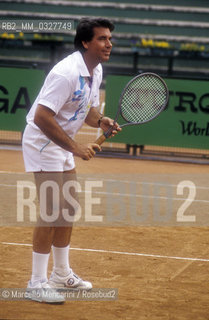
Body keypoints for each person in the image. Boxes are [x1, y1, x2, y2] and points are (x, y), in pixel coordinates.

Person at [22, 17, 121, 304]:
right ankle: (36, 282)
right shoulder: (65, 73)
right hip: (42, 141)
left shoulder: (96, 70)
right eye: (102, 39)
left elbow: (86, 109)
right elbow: (42, 116)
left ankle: (60, 273)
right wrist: (77, 147)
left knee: (69, 206)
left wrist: (101, 120)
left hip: (62, 143)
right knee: (52, 209)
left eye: (109, 38)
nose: (109, 43)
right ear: (85, 42)